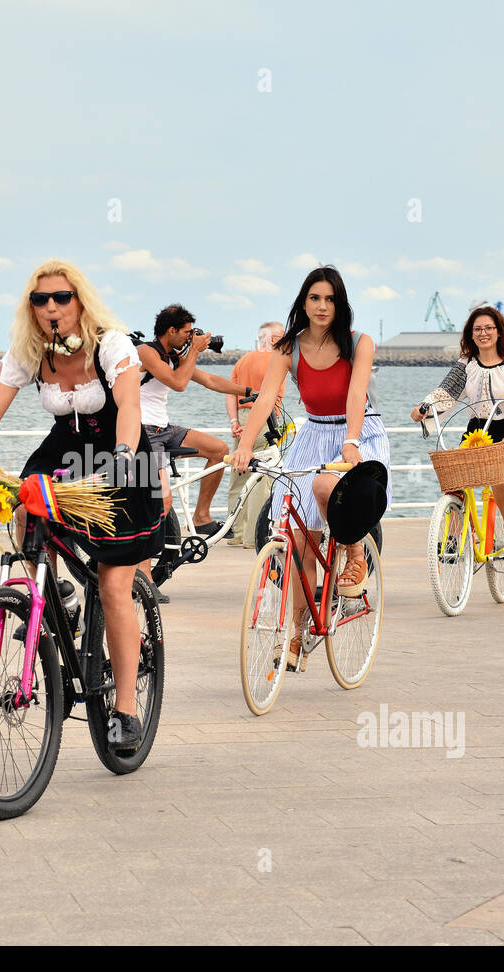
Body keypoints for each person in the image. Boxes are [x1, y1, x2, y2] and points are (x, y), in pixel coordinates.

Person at [0, 259, 164, 750]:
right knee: (23, 500)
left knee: (115, 584)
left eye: (62, 297)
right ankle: (55, 590)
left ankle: (124, 709)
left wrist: (124, 456)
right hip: (66, 449)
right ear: (30, 308)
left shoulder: (111, 344)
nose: (51, 307)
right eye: (41, 300)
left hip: (121, 453)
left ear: (80, 300)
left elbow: (129, 406)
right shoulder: (29, 351)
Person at [231, 266, 392, 672]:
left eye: (330, 299)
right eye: (315, 298)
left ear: (341, 305)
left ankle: (355, 551)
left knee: (325, 485)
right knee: (300, 539)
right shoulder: (288, 348)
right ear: (303, 302)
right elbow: (266, 398)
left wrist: (352, 441)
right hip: (313, 435)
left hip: (359, 432)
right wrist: (246, 445)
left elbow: (356, 394)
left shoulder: (358, 343)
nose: (322, 306)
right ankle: (298, 637)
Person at [411, 306, 504, 561]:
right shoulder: (466, 364)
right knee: (454, 476)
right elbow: (445, 392)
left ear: (499, 332)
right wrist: (424, 408)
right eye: (478, 329)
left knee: (500, 474)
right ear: (471, 334)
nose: (483, 333)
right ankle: (454, 536)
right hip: (476, 431)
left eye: (489, 328)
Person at [138, 304, 249, 537]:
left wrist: (248, 391)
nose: (191, 337)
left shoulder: (173, 357)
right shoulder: (146, 352)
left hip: (164, 429)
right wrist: (195, 351)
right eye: (187, 332)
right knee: (163, 500)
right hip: (144, 432)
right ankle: (140, 552)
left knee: (219, 450)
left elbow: (209, 379)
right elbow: (178, 384)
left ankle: (201, 518)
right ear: (171, 331)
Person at [226, 321, 286, 547]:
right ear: (272, 338)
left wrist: (234, 421)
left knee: (238, 476)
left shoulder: (243, 361)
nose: (285, 338)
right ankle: (253, 537)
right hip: (263, 420)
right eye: (281, 335)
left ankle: (236, 533)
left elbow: (230, 393)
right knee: (260, 478)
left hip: (241, 419)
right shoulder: (277, 361)